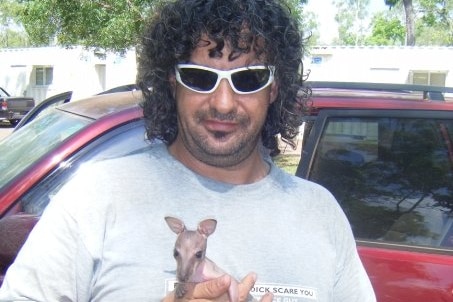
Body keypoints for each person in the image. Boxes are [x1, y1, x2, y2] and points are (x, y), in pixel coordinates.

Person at [0, 0, 376, 301]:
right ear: (171, 81)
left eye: (249, 79)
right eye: (200, 77)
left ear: (274, 88)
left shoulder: (320, 215)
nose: (224, 103)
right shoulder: (97, 197)